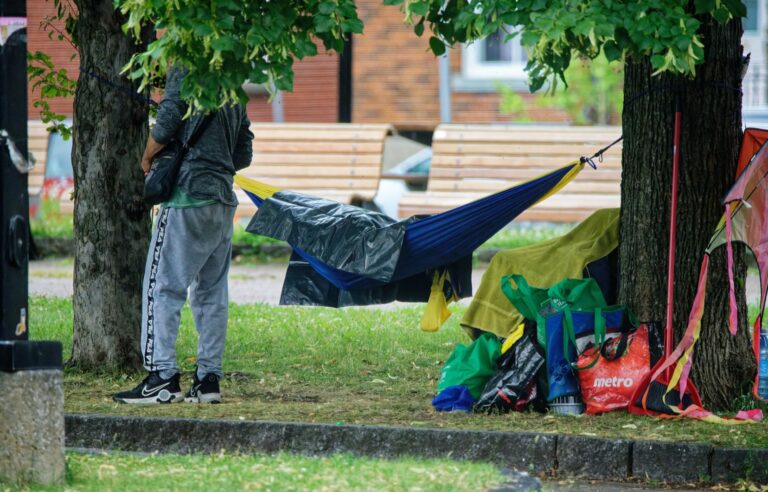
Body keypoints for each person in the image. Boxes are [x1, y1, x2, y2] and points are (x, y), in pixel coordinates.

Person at [113, 67, 254, 404]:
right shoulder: (232, 79)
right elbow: (244, 151)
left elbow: (168, 118)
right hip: (222, 200)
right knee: (212, 293)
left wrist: (148, 156)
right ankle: (208, 381)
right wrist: (214, 163)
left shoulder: (185, 64)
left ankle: (162, 376)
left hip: (186, 196)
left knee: (162, 287)